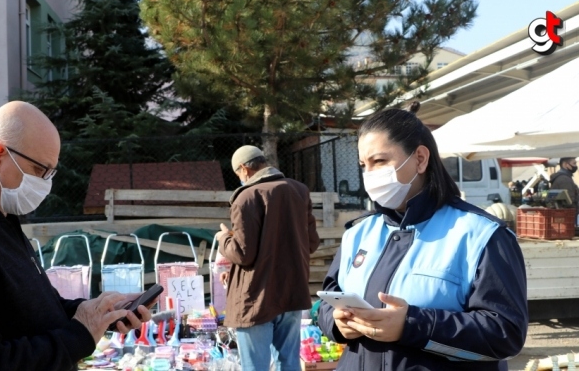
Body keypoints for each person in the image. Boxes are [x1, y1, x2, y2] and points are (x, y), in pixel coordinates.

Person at [0, 101, 153, 371]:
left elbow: (31, 311)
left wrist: (95, 312)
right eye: (39, 170)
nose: (46, 184)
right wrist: (79, 334)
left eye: (51, 173)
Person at [318, 108, 528, 370]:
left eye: (380, 161)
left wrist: (412, 324)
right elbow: (328, 300)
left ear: (419, 158)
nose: (369, 175)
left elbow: (505, 333)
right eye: (364, 165)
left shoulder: (482, 235)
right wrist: (336, 322)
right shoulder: (358, 233)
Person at [215, 145, 320, 371]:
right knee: (289, 363)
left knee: (256, 367)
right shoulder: (299, 190)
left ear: (244, 169)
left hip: (256, 299)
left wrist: (224, 239)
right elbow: (311, 243)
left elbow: (243, 254)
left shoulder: (246, 197)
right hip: (292, 292)